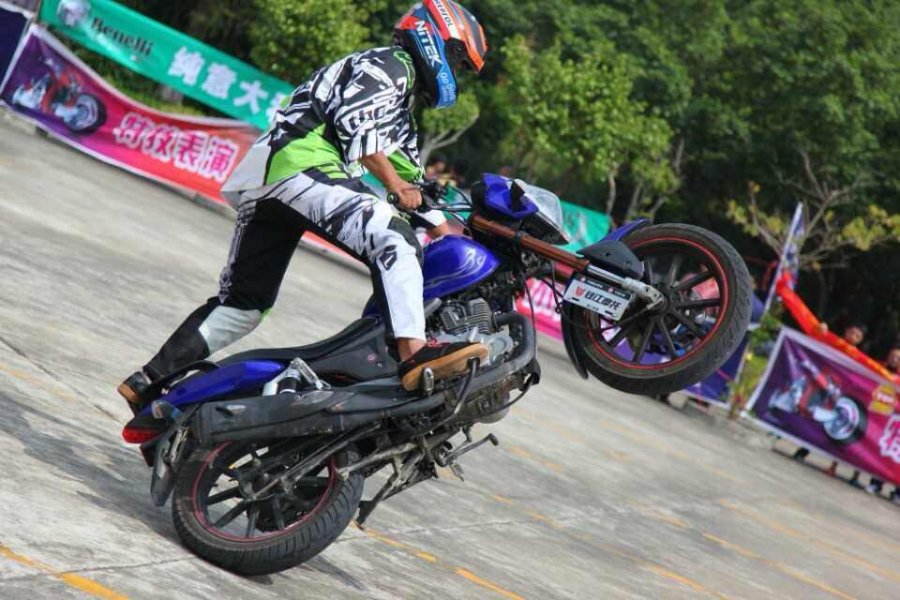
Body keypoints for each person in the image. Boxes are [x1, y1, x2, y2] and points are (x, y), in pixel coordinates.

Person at [118, 1, 491, 409]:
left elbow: (411, 176)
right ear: (435, 38)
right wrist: (395, 187)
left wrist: (444, 227)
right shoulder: (391, 64)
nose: (456, 73)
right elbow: (356, 123)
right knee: (396, 238)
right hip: (301, 165)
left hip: (269, 183)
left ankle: (149, 381)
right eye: (458, 61)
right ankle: (414, 354)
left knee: (244, 307)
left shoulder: (401, 109)